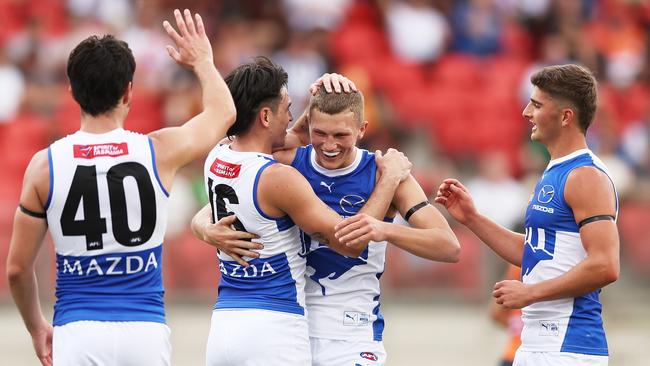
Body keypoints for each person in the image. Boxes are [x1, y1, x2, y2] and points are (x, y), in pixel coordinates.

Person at [6, 9, 236, 366]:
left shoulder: (43, 166)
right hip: (144, 330)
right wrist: (203, 61)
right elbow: (223, 113)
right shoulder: (159, 150)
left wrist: (37, 327)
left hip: (77, 330)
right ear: (129, 91)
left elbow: (18, 270)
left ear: (72, 91)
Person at [193, 76, 461, 366]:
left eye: (341, 135)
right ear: (308, 127)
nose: (329, 145)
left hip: (351, 334)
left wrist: (384, 229)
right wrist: (204, 227)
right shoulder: (286, 163)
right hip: (292, 328)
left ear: (362, 130)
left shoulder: (385, 173)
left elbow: (448, 245)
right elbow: (229, 195)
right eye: (320, 133)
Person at [435, 64, 619, 366]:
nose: (525, 112)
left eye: (536, 104)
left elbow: (605, 265)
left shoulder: (586, 176)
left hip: (566, 345)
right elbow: (535, 251)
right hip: (538, 343)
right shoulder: (555, 171)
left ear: (565, 117)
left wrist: (530, 293)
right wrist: (472, 218)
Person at [490, 264, 523, 366]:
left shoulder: (520, 264)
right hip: (517, 355)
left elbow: (496, 314)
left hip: (512, 355)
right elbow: (496, 314)